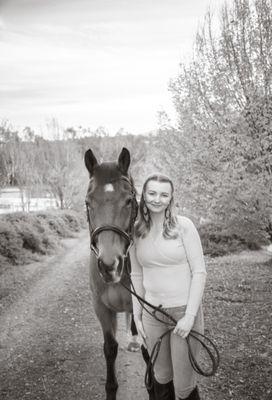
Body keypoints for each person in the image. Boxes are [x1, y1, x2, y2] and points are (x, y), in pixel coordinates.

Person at [129, 173, 207, 400]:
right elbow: (136, 273)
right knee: (161, 378)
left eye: (164, 195)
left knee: (184, 386)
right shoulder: (136, 231)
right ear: (144, 195)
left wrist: (190, 316)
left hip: (182, 313)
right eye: (152, 193)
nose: (157, 199)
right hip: (152, 315)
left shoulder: (184, 226)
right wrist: (137, 315)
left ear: (171, 198)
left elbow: (199, 272)